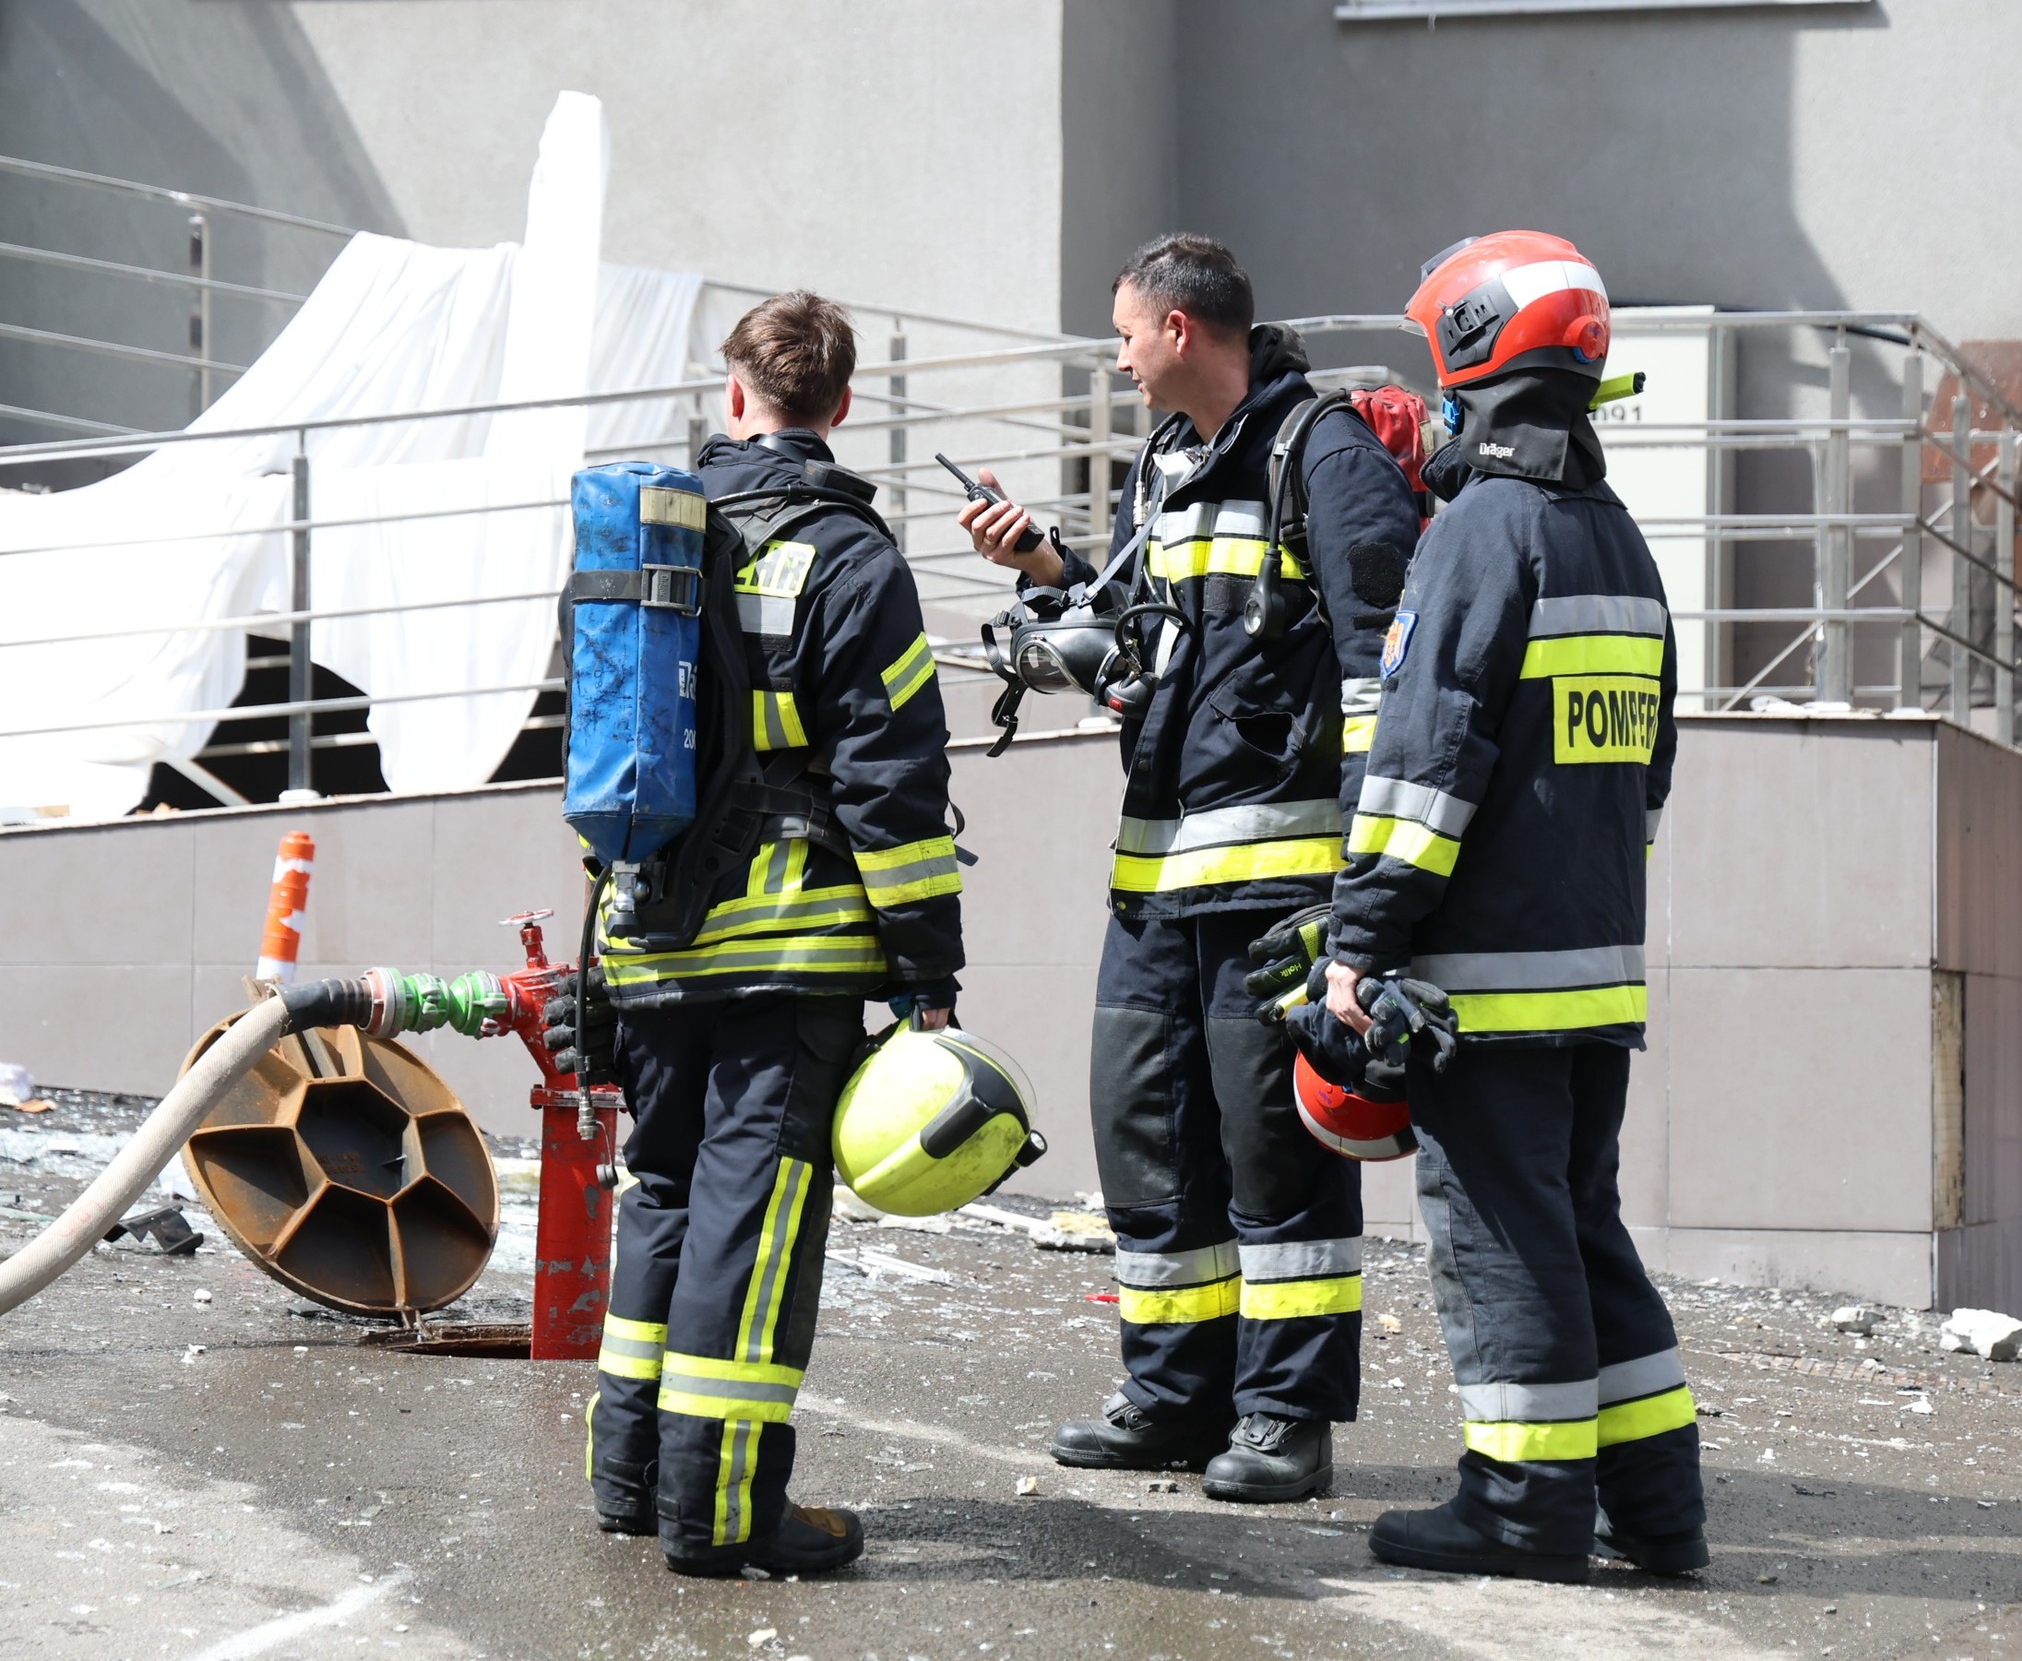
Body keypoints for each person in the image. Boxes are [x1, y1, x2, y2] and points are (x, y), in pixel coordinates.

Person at [962, 234, 1422, 1502]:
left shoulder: (1321, 455)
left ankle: (1285, 1419)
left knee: (1274, 1158)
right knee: (1147, 1144)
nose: (1115, 359)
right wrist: (1050, 577)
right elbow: (1147, 625)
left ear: (1177, 330)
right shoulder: (1162, 463)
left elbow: (1388, 674)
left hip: (1279, 882)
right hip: (1154, 874)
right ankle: (1172, 1398)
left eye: (1122, 334)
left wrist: (1367, 891)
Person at [1303, 230, 1706, 1582]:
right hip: (1595, 965)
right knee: (1581, 1223)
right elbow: (1647, 772)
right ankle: (1658, 1505)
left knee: (1499, 1235)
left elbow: (1421, 769)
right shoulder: (1621, 538)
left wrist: (1362, 943)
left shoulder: (1480, 534)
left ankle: (1523, 1508)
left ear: (1472, 355)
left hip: (1485, 979)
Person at [576, 290, 965, 1577]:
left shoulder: (648, 542)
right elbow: (890, 787)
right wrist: (927, 969)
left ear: (731, 395)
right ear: (840, 406)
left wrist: (599, 949)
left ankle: (631, 1482)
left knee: (667, 1196)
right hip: (786, 945)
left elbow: (601, 758)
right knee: (757, 1217)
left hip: (644, 934)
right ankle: (725, 1507)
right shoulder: (852, 560)